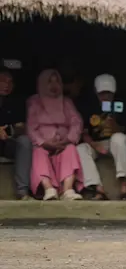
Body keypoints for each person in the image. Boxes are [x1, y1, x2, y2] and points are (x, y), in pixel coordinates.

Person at [77, 73, 126, 200]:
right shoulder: (88, 107)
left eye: (109, 93)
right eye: (102, 93)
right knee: (81, 148)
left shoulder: (122, 104)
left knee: (118, 138)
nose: (105, 96)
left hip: (122, 142)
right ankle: (98, 189)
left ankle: (124, 188)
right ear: (95, 92)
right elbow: (84, 133)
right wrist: (95, 145)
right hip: (98, 143)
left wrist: (114, 124)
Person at [26, 69, 84, 200]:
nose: (54, 85)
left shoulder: (66, 102)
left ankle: (67, 190)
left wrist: (68, 140)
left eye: (57, 81)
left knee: (71, 150)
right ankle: (49, 189)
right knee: (38, 152)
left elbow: (76, 122)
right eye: (49, 82)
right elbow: (30, 127)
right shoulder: (34, 102)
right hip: (44, 145)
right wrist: (44, 142)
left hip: (63, 144)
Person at [0, 68, 34, 201]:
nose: (7, 85)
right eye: (2, 81)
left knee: (25, 141)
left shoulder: (16, 102)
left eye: (10, 82)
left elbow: (21, 127)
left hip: (7, 142)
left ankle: (23, 192)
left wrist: (11, 130)